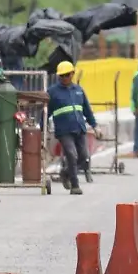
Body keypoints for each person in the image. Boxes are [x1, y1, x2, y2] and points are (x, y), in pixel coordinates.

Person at [48, 61, 101, 195]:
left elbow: (87, 111)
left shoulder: (79, 90)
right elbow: (45, 112)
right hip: (64, 131)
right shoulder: (52, 92)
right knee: (72, 155)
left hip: (79, 129)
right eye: (62, 76)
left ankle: (65, 173)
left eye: (67, 75)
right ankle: (75, 185)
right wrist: (40, 127)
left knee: (84, 157)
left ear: (72, 74)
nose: (64, 78)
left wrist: (95, 126)